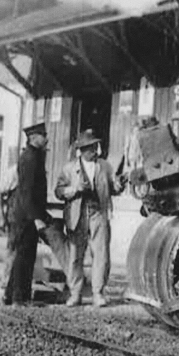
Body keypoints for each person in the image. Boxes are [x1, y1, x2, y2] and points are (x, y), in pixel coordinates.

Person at [55, 129, 126, 308]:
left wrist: (119, 185)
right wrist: (74, 189)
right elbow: (58, 191)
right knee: (75, 256)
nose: (94, 150)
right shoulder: (69, 168)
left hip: (99, 214)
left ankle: (97, 293)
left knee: (101, 254)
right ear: (82, 150)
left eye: (95, 146)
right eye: (90, 148)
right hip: (77, 215)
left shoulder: (105, 166)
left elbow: (113, 189)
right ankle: (75, 293)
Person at [4, 122, 50, 306]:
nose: (46, 138)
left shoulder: (34, 156)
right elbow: (26, 192)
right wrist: (36, 218)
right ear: (33, 138)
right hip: (26, 216)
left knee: (22, 255)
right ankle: (20, 297)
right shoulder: (30, 157)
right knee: (25, 256)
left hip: (26, 214)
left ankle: (10, 295)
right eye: (42, 135)